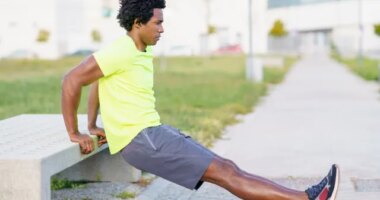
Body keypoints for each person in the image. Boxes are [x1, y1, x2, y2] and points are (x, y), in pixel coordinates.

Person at [61, 0, 340, 199]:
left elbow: (98, 81)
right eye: (157, 23)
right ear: (138, 23)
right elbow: (72, 80)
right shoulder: (121, 50)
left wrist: (94, 124)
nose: (162, 29)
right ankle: (308, 199)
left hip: (150, 134)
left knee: (228, 168)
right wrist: (75, 131)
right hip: (143, 140)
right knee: (226, 175)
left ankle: (306, 197)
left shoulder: (137, 50)